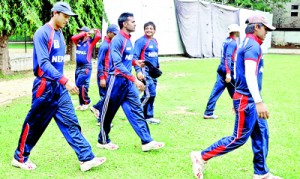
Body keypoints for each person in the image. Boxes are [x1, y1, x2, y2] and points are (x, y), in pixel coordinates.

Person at [12, 2, 106, 172]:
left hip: (59, 89)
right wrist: (65, 80)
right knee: (34, 124)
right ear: (55, 13)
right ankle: (19, 158)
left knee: (71, 122)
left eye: (69, 17)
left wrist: (63, 81)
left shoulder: (60, 33)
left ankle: (86, 158)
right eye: (65, 16)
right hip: (45, 87)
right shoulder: (42, 33)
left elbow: (57, 63)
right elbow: (44, 64)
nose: (67, 20)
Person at [191, 15, 283, 179]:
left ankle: (261, 173)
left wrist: (238, 96)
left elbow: (236, 71)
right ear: (256, 27)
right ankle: (201, 156)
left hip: (247, 98)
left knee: (261, 133)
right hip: (248, 100)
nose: (267, 32)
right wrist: (258, 101)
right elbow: (249, 75)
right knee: (239, 138)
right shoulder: (252, 46)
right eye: (265, 28)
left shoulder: (245, 44)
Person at [96, 12, 165, 151]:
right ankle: (103, 141)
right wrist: (134, 79)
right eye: (132, 22)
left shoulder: (128, 40)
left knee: (137, 110)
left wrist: (135, 62)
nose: (135, 24)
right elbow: (117, 64)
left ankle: (147, 141)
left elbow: (125, 59)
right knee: (108, 112)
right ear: (124, 24)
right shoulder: (118, 40)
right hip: (116, 81)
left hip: (127, 83)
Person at [203, 24, 240, 119]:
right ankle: (240, 110)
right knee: (236, 90)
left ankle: (208, 112)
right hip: (228, 70)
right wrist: (228, 73)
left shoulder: (226, 41)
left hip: (221, 68)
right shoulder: (232, 43)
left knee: (217, 91)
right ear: (235, 32)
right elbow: (228, 57)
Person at [90, 24, 119, 125]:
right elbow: (100, 63)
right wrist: (102, 78)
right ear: (109, 33)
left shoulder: (111, 43)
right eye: (114, 34)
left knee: (108, 97)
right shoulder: (105, 45)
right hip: (103, 76)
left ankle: (97, 108)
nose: (116, 35)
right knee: (105, 98)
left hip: (109, 75)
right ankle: (100, 119)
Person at [134, 21, 161, 124]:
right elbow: (135, 57)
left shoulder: (154, 41)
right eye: (147, 28)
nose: (149, 30)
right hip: (144, 72)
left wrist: (157, 68)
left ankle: (148, 116)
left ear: (154, 30)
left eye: (151, 28)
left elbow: (155, 56)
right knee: (150, 93)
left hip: (152, 72)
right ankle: (137, 113)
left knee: (151, 94)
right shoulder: (140, 41)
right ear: (144, 30)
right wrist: (138, 71)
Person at [71, 26, 101, 111]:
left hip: (86, 67)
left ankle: (87, 102)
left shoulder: (90, 43)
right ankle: (81, 103)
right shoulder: (78, 42)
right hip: (78, 67)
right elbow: (73, 37)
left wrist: (96, 30)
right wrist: (84, 33)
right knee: (80, 86)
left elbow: (98, 36)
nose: (79, 33)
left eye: (81, 32)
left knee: (79, 85)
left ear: (86, 34)